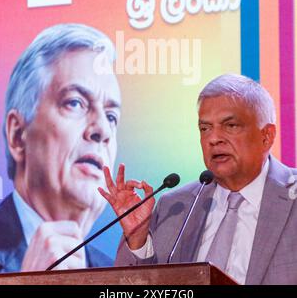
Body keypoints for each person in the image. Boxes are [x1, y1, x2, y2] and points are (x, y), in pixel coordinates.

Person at [100, 74, 297, 285]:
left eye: (230, 126)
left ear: (266, 136)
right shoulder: (175, 206)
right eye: (205, 128)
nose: (213, 139)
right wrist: (138, 239)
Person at [0, 23, 121, 273]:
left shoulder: (116, 274)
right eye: (75, 103)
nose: (102, 130)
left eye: (111, 116)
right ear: (18, 135)